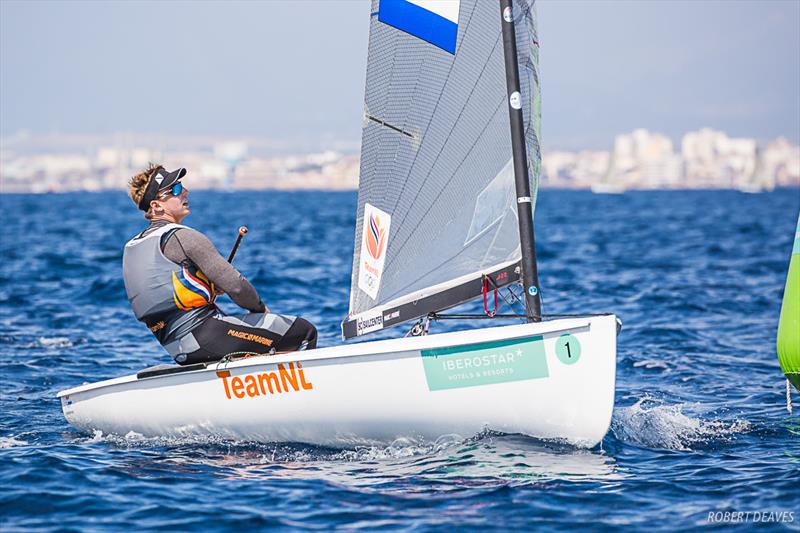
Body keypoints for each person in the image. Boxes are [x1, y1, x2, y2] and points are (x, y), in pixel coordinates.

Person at [122, 163, 317, 365]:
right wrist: (260, 311)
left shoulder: (132, 247)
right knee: (303, 331)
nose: (185, 192)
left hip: (176, 348)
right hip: (206, 336)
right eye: (176, 190)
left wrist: (207, 285)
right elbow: (236, 286)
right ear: (156, 206)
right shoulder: (183, 236)